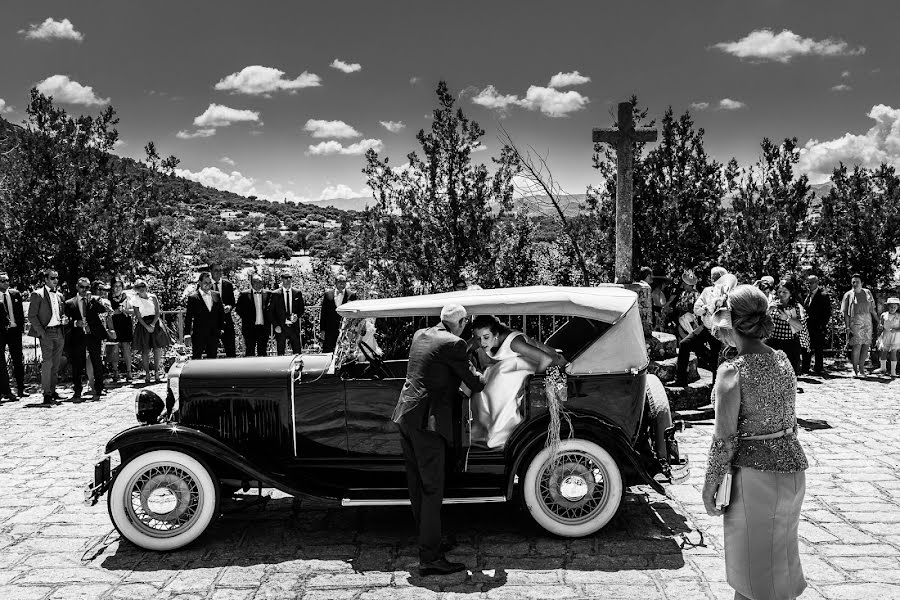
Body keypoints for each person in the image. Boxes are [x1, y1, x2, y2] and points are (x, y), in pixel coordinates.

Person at [703, 284, 808, 600]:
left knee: (751, 575)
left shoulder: (731, 372)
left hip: (755, 479)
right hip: (792, 471)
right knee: (776, 569)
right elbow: (791, 422)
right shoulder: (783, 361)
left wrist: (710, 487)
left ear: (731, 320)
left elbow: (724, 439)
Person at [391, 304, 485, 577]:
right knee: (432, 490)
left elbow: (437, 364)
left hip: (406, 416)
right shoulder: (455, 344)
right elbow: (475, 382)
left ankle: (429, 541)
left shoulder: (422, 334)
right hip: (427, 424)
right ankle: (430, 558)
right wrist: (482, 361)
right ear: (463, 321)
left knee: (418, 487)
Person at [469, 315, 567, 449]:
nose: (482, 343)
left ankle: (503, 436)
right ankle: (483, 431)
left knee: (498, 386)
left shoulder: (514, 342)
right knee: (486, 384)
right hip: (520, 366)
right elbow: (465, 346)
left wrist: (531, 387)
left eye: (486, 337)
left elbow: (546, 359)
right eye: (478, 338)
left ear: (496, 335)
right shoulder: (482, 339)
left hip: (547, 366)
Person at [675, 267, 731, 386]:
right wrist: (705, 308)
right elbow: (696, 309)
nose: (714, 280)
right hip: (706, 328)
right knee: (684, 344)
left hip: (720, 332)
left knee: (716, 359)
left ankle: (715, 388)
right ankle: (681, 380)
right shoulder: (706, 291)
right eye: (713, 277)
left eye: (717, 277)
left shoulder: (729, 293)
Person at [64, 277, 111, 401]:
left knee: (97, 362)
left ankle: (99, 388)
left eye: (87, 287)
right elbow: (66, 322)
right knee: (77, 364)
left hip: (93, 335)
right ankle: (77, 390)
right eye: (82, 287)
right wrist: (75, 323)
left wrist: (93, 300)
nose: (84, 290)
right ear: (77, 287)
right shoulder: (70, 303)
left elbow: (103, 310)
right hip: (78, 336)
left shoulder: (94, 300)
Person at [27, 268, 69, 405]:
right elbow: (32, 316)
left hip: (59, 331)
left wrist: (65, 319)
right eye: (52, 278)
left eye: (57, 278)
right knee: (47, 363)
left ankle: (52, 390)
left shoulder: (60, 295)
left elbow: (61, 314)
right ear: (45, 279)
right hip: (46, 332)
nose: (55, 281)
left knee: (56, 364)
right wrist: (41, 333)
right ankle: (46, 393)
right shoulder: (37, 294)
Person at [766, 277, 808, 377]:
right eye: (779, 291)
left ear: (791, 294)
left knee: (789, 374)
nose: (781, 294)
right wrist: (768, 310)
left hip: (790, 344)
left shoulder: (796, 307)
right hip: (773, 342)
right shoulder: (772, 303)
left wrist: (787, 318)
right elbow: (761, 320)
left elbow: (800, 327)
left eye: (785, 292)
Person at [840, 273, 878, 378]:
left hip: (867, 321)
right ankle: (855, 369)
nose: (855, 284)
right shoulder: (848, 294)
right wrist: (847, 327)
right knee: (857, 345)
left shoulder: (867, 292)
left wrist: (879, 321)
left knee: (866, 345)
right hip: (855, 322)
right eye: (853, 282)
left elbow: (872, 309)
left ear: (862, 283)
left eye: (857, 282)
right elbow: (845, 313)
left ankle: (862, 369)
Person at [131, 279, 169, 382]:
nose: (142, 288)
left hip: (155, 323)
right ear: (136, 289)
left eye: (143, 286)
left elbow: (157, 312)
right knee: (145, 350)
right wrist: (147, 326)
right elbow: (138, 316)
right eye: (139, 287)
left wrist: (152, 324)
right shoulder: (135, 300)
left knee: (157, 348)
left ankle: (157, 372)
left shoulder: (153, 297)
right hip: (143, 324)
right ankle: (147, 373)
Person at [184, 271, 225, 361]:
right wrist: (187, 334)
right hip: (199, 334)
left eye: (209, 282)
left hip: (214, 334)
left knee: (212, 360)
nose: (208, 284)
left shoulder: (216, 295)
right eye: (205, 282)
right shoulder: (193, 297)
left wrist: (221, 329)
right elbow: (188, 317)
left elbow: (221, 313)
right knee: (196, 359)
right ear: (199, 282)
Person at [0, 272, 27, 400]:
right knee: (1, 363)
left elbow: (20, 313)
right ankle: (6, 390)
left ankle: (21, 389)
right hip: (1, 333)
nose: (6, 283)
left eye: (7, 280)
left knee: (18, 360)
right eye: (3, 281)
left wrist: (20, 329)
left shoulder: (15, 294)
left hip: (14, 331)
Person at [268, 270, 304, 355]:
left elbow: (301, 309)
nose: (288, 280)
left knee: (297, 352)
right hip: (281, 328)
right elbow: (270, 312)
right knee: (280, 352)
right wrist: (276, 325)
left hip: (294, 327)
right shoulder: (275, 294)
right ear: (281, 279)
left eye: (290, 278)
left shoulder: (297, 293)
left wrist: (297, 316)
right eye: (285, 278)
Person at [235, 273, 271, 357]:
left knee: (262, 351)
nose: (258, 284)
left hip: (263, 327)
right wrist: (248, 318)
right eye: (256, 282)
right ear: (251, 283)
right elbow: (238, 310)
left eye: (260, 282)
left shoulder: (268, 294)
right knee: (250, 350)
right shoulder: (244, 294)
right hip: (249, 328)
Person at [801, 275, 831, 376]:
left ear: (817, 282)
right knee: (806, 347)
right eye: (808, 283)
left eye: (811, 283)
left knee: (818, 349)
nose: (809, 285)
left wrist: (822, 325)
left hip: (818, 326)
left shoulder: (823, 295)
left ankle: (818, 368)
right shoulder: (807, 295)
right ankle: (805, 368)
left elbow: (827, 312)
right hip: (807, 326)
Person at [320, 272, 357, 353]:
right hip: (330, 329)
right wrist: (322, 330)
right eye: (340, 281)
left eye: (344, 282)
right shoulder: (328, 294)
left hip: (345, 328)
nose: (342, 284)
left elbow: (354, 313)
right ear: (335, 282)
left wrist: (352, 329)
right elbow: (323, 313)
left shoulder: (351, 295)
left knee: (343, 351)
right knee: (328, 350)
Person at [108, 277, 134, 383]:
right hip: (113, 324)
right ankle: (115, 372)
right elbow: (106, 313)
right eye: (115, 286)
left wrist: (125, 310)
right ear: (112, 287)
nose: (117, 288)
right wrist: (115, 312)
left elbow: (134, 310)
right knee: (114, 348)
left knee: (126, 347)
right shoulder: (108, 298)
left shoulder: (127, 297)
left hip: (125, 323)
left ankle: (129, 372)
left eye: (119, 286)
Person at [210, 264, 237, 358]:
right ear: (211, 272)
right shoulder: (206, 284)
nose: (218, 272)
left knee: (231, 351)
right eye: (215, 270)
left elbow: (232, 302)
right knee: (211, 352)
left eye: (220, 270)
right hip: (212, 324)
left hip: (227, 322)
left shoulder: (228, 285)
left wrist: (229, 307)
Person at [875, 297, 900, 377]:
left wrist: (896, 330)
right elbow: (881, 324)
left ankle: (893, 371)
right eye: (891, 307)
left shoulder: (898, 316)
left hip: (895, 336)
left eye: (894, 307)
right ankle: (883, 368)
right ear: (888, 306)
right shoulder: (884, 315)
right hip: (886, 335)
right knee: (883, 351)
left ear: (897, 307)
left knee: (893, 352)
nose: (892, 308)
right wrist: (881, 328)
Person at [674, 270, 699, 341]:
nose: (683, 284)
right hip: (683, 317)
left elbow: (696, 307)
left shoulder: (696, 294)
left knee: (684, 318)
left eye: (685, 283)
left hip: (693, 317)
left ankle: (693, 335)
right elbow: (678, 304)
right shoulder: (683, 293)